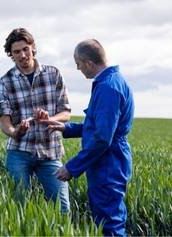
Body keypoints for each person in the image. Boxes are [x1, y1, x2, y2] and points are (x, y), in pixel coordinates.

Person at [39, 39, 134, 236]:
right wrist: (66, 128)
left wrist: (72, 168)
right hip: (108, 160)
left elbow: (102, 138)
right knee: (106, 217)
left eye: (79, 64)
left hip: (109, 162)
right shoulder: (111, 81)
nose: (78, 68)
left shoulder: (108, 87)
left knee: (109, 224)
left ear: (89, 63)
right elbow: (97, 126)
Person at [0, 28, 71, 213]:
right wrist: (15, 132)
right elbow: (5, 121)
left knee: (62, 208)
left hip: (50, 151)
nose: (22, 55)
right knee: (19, 209)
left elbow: (66, 112)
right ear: (11, 55)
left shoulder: (54, 74)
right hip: (19, 152)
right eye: (16, 52)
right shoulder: (4, 82)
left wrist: (50, 119)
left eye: (25, 49)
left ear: (33, 48)